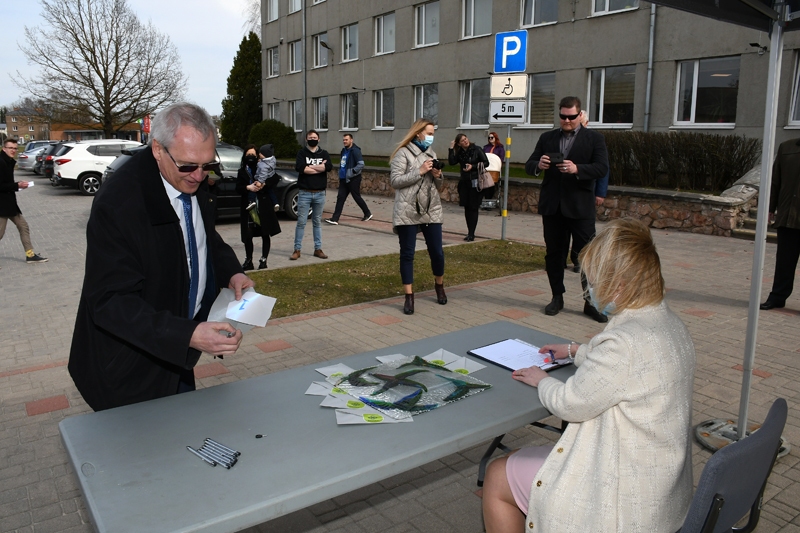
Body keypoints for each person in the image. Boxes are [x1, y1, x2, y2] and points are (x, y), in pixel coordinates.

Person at [482, 219, 696, 533]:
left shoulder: (623, 344)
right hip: (661, 490)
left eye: (593, 282)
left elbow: (570, 403)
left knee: (498, 474)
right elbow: (629, 371)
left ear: (620, 285)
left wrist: (541, 379)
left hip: (620, 502)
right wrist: (575, 351)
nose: (589, 289)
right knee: (520, 460)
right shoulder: (670, 325)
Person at [67, 102, 254, 411]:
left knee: (180, 438)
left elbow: (205, 238)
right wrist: (188, 334)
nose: (198, 176)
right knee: (144, 454)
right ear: (157, 149)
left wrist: (231, 272)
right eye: (188, 166)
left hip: (178, 351)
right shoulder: (119, 205)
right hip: (130, 366)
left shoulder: (192, 180)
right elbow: (110, 302)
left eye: (208, 165)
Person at [525, 96, 609, 322]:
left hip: (580, 208)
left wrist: (577, 169)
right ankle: (557, 297)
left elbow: (602, 168)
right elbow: (529, 165)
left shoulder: (595, 139)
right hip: (553, 207)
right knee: (554, 255)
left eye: (572, 117)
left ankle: (590, 303)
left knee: (587, 258)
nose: (567, 121)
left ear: (580, 115)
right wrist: (538, 166)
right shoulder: (547, 137)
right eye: (563, 116)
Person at [390, 118, 447, 315]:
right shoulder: (403, 154)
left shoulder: (431, 153)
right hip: (408, 210)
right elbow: (395, 181)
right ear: (418, 134)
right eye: (429, 133)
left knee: (437, 252)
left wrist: (438, 175)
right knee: (407, 254)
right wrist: (420, 171)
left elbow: (439, 187)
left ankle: (439, 285)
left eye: (433, 134)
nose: (431, 137)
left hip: (431, 209)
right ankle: (409, 296)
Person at [761, 137, 800, 310]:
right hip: (788, 216)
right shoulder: (787, 147)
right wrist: (770, 207)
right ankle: (777, 297)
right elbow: (775, 180)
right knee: (784, 261)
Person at [0, 138, 48, 267]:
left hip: (10, 204)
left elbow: (7, 184)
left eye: (15, 148)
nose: (13, 151)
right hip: (2, 206)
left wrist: (18, 186)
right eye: (11, 148)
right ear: (4, 148)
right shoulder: (1, 162)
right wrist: (16, 185)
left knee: (23, 226)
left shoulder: (8, 161)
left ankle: (30, 255)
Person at [236, 145, 281, 271]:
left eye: (253, 155)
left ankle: (263, 259)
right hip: (249, 207)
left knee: (265, 233)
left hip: (263, 205)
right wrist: (247, 187)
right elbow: (237, 188)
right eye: (248, 155)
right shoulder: (242, 171)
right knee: (248, 235)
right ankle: (248, 260)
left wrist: (263, 184)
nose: (250, 157)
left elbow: (275, 179)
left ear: (258, 156)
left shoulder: (263, 167)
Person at [292, 130, 332, 260]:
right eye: (310, 137)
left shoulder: (324, 153)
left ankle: (318, 249)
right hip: (304, 193)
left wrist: (310, 168)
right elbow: (300, 168)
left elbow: (328, 167)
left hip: (320, 194)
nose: (312, 139)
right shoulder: (302, 153)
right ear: (306, 139)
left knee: (317, 222)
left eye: (315, 137)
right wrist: (319, 167)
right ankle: (297, 249)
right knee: (301, 222)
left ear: (319, 139)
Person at [448, 133, 489, 241]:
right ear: (459, 144)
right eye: (462, 141)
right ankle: (469, 232)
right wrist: (451, 149)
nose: (465, 141)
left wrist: (473, 166)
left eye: (465, 139)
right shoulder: (460, 152)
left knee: (473, 207)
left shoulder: (477, 149)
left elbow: (486, 162)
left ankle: (472, 233)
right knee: (467, 207)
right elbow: (452, 162)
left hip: (476, 181)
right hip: (465, 182)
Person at [326, 133, 372, 225]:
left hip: (353, 179)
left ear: (351, 140)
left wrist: (353, 172)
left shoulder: (355, 150)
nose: (344, 141)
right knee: (340, 198)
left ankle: (367, 213)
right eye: (343, 140)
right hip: (344, 179)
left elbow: (361, 164)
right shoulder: (343, 151)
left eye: (346, 140)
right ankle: (335, 219)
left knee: (356, 197)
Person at [254, 144, 280, 211]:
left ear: (264, 155)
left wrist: (260, 182)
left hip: (262, 179)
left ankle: (252, 201)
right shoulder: (272, 159)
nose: (259, 154)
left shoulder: (263, 166)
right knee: (271, 192)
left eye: (261, 153)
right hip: (271, 175)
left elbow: (263, 174)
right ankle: (275, 203)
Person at [483, 131, 505, 200]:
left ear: (495, 138)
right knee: (486, 184)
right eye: (489, 137)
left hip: (494, 168)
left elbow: (501, 158)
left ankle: (488, 199)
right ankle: (487, 199)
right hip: (486, 167)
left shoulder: (500, 148)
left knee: (491, 184)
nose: (490, 139)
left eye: (492, 137)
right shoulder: (486, 147)